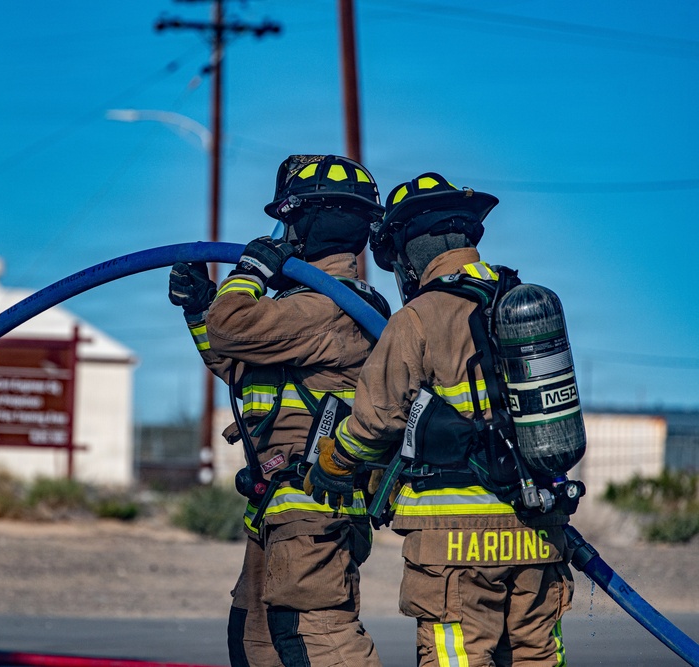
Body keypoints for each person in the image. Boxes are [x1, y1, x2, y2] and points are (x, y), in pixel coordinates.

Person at [304, 172, 577, 667]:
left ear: (409, 252)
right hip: (539, 530)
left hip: (455, 540)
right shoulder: (523, 303)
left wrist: (334, 461)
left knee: (458, 659)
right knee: (537, 656)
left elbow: (376, 421)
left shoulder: (420, 316)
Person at [168, 154, 391, 667]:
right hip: (277, 503)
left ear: (311, 222)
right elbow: (237, 363)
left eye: (288, 221)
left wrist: (248, 272)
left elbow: (235, 327)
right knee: (257, 641)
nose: (281, 233)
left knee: (316, 638)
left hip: (313, 504)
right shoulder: (300, 305)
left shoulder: (331, 306)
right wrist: (199, 308)